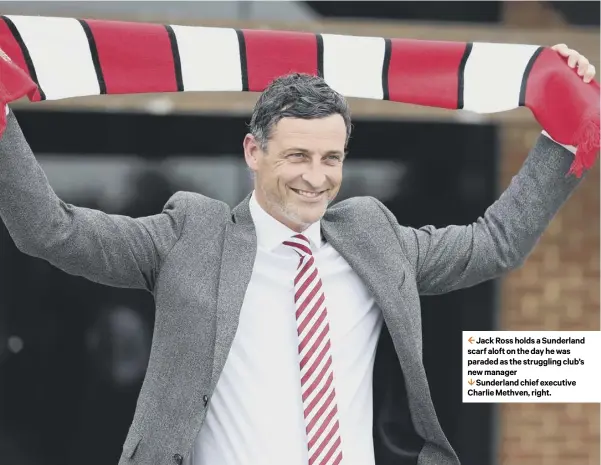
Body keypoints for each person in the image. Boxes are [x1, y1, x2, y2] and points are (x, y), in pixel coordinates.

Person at [0, 43, 595, 465]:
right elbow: (53, 232)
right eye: (296, 157)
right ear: (253, 152)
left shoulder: (375, 241)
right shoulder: (190, 237)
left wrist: (564, 132)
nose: (316, 177)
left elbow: (494, 243)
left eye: (330, 158)